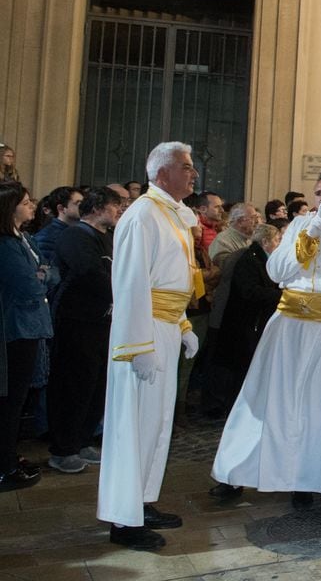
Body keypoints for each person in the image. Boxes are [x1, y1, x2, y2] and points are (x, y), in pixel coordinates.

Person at [210, 175, 321, 508]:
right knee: (262, 398)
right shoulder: (300, 225)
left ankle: (302, 479)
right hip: (288, 324)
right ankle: (235, 473)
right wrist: (310, 236)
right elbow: (277, 272)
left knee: (318, 405)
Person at [96, 142, 201, 549]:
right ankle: (123, 521)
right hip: (145, 334)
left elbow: (171, 280)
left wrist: (184, 324)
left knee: (156, 424)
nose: (193, 175)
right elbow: (132, 285)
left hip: (165, 328)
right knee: (135, 425)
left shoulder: (169, 213)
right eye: (186, 168)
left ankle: (141, 500)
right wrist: (137, 346)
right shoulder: (143, 215)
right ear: (162, 174)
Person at [45, 187, 122, 474]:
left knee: (96, 383)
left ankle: (83, 439)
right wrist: (123, 291)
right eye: (116, 206)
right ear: (98, 207)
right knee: (73, 385)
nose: (119, 211)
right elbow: (91, 274)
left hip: (102, 322)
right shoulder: (76, 235)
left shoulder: (109, 237)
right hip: (77, 323)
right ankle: (63, 449)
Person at [0, 182, 51, 493]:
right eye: (26, 201)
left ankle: (7, 456)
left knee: (17, 399)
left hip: (30, 326)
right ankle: (4, 467)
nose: (32, 205)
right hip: (15, 330)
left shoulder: (25, 238)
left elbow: (51, 271)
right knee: (10, 400)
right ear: (9, 208)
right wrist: (42, 277)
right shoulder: (5, 244)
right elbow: (29, 286)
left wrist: (43, 275)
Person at [204, 225, 283, 415]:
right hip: (242, 321)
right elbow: (250, 291)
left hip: (249, 321)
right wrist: (281, 295)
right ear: (265, 242)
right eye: (276, 240)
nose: (278, 244)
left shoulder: (257, 257)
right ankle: (225, 406)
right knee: (234, 367)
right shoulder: (249, 259)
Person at [34, 186, 82, 270]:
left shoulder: (78, 231)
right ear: (61, 208)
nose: (83, 207)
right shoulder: (47, 237)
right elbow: (47, 270)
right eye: (78, 204)